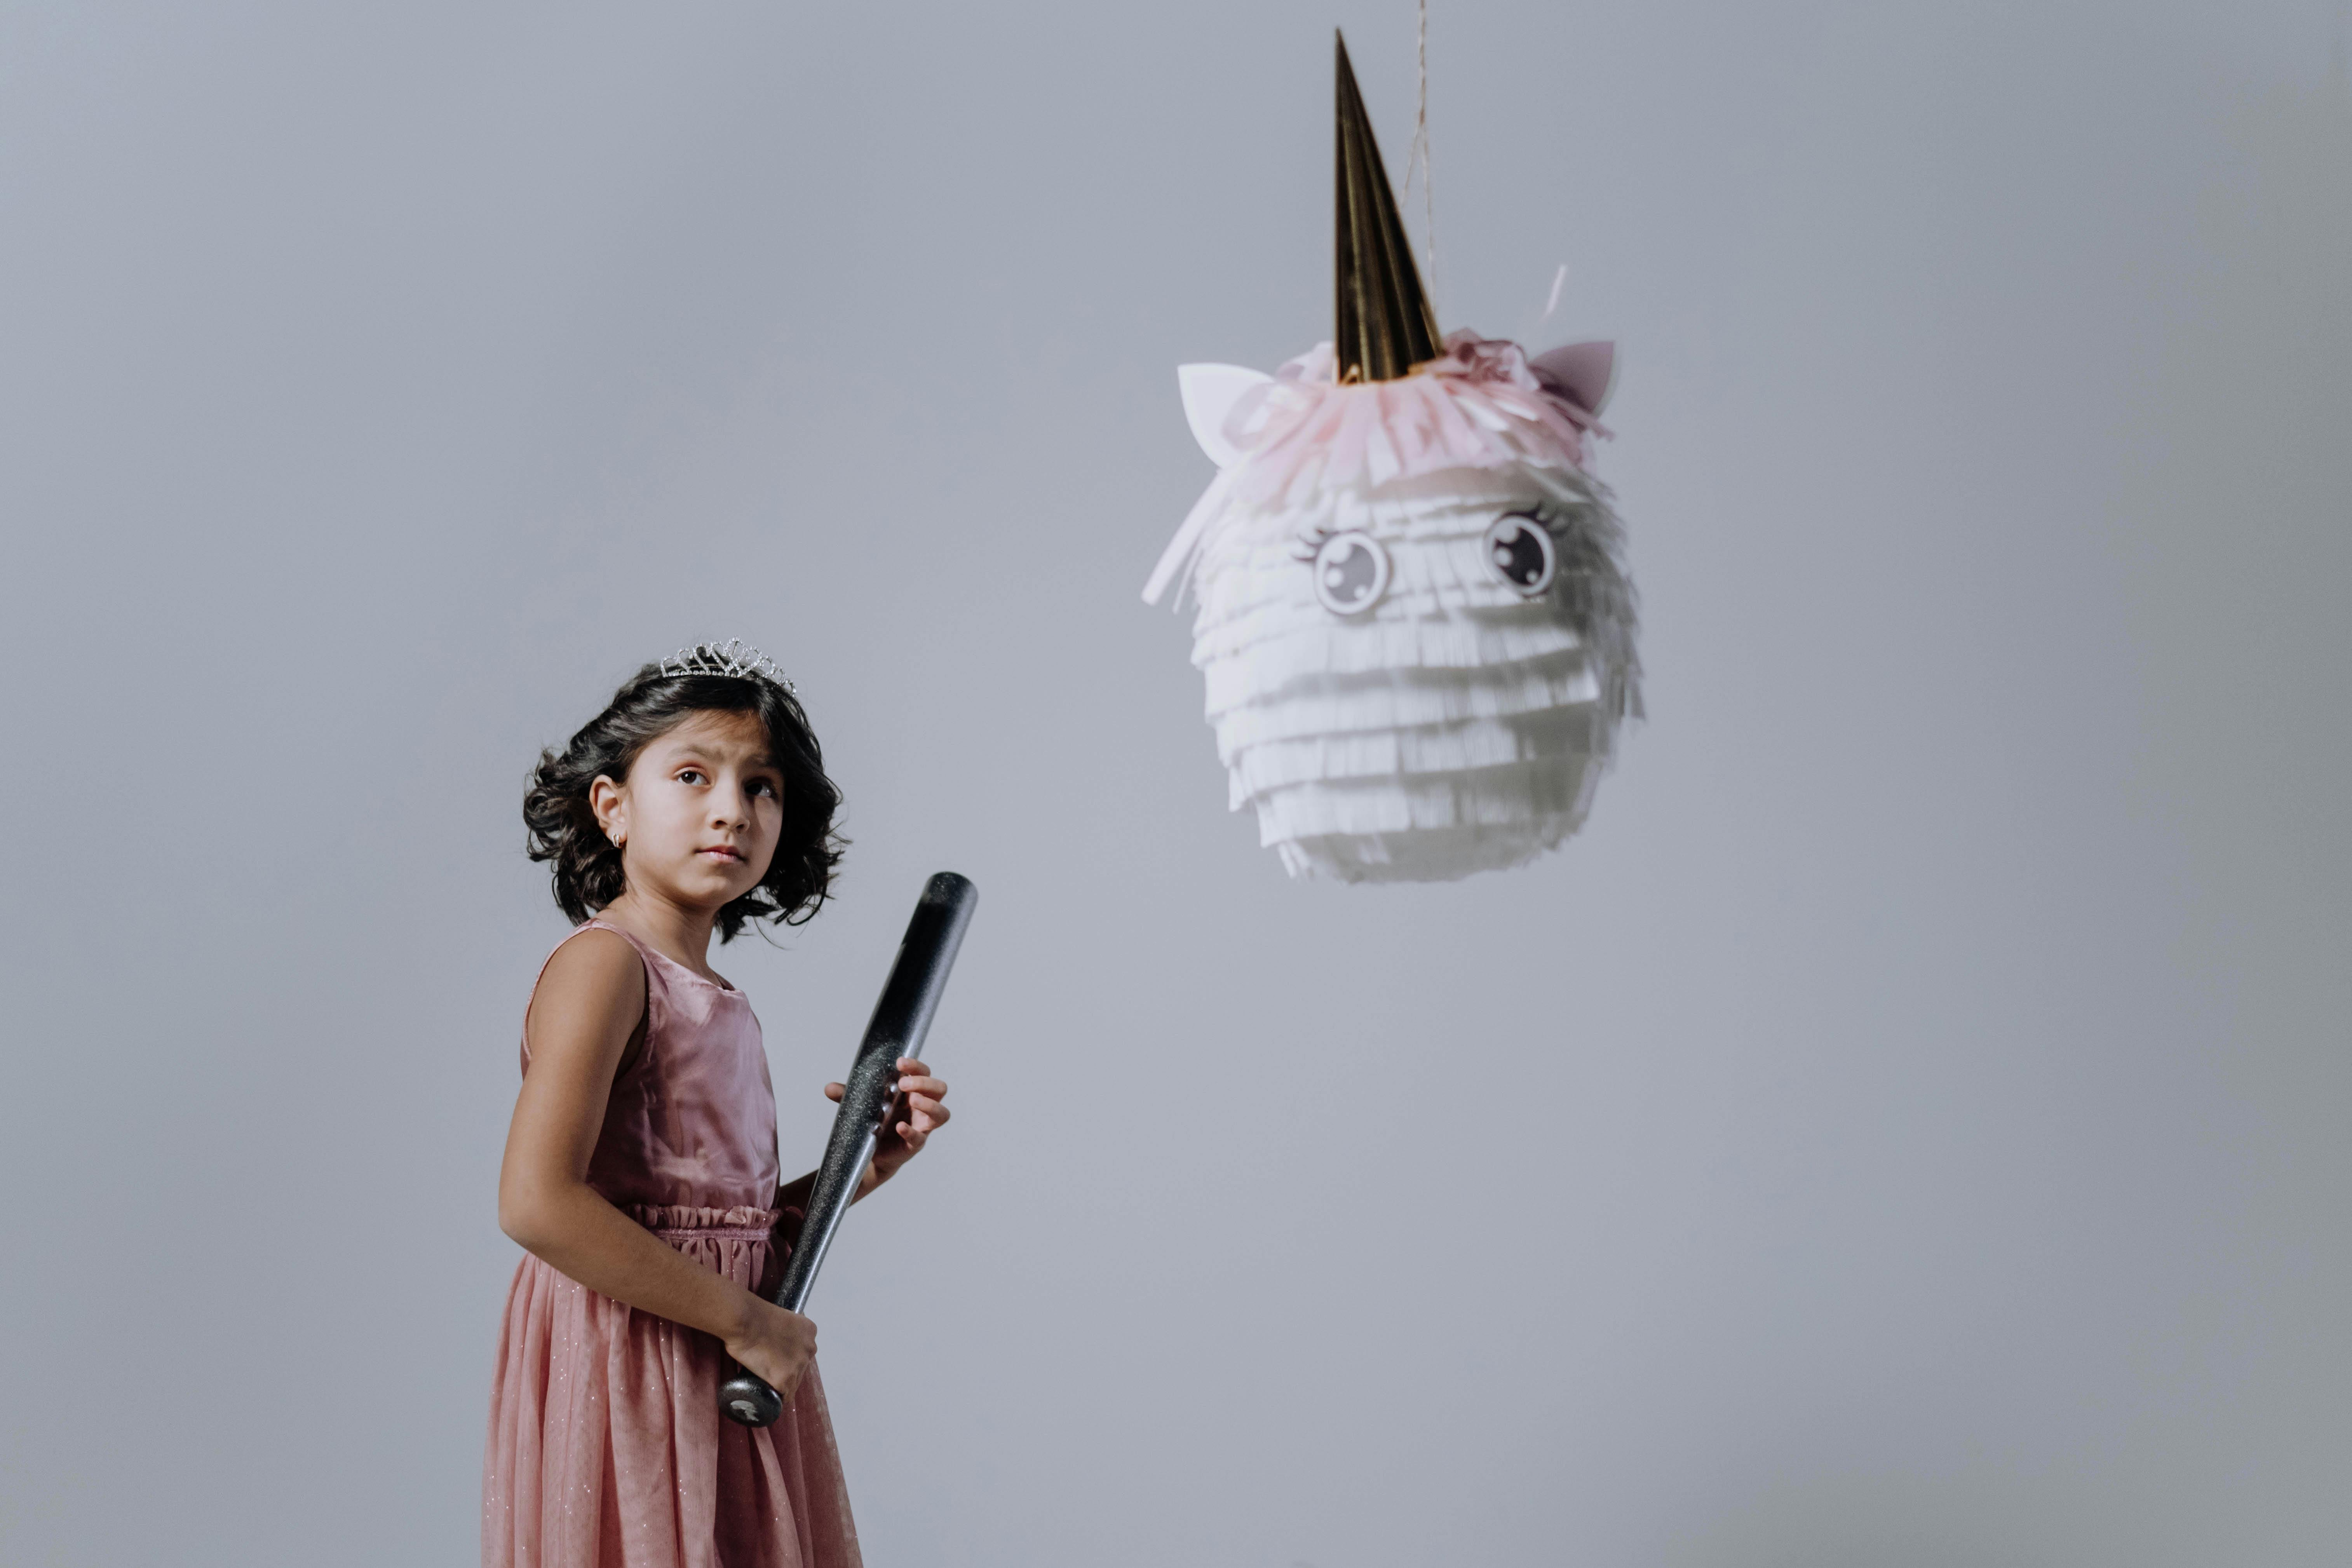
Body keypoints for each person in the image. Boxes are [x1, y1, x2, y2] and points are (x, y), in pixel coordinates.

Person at [483, 643, 948, 1568]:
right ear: (612, 806)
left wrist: (860, 1170)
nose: (732, 808)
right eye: (692, 774)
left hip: (725, 1347)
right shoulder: (606, 963)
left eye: (762, 786)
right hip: (636, 1351)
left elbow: (733, 1228)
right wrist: (746, 1321)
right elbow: (537, 1200)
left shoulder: (718, 995)